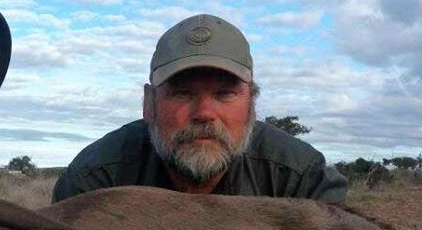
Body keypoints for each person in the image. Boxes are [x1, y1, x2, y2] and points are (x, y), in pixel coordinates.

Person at [52, 13, 347, 203]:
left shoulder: (302, 181)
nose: (204, 112)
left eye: (224, 94)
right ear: (148, 105)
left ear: (252, 106)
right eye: (181, 93)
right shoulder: (93, 181)